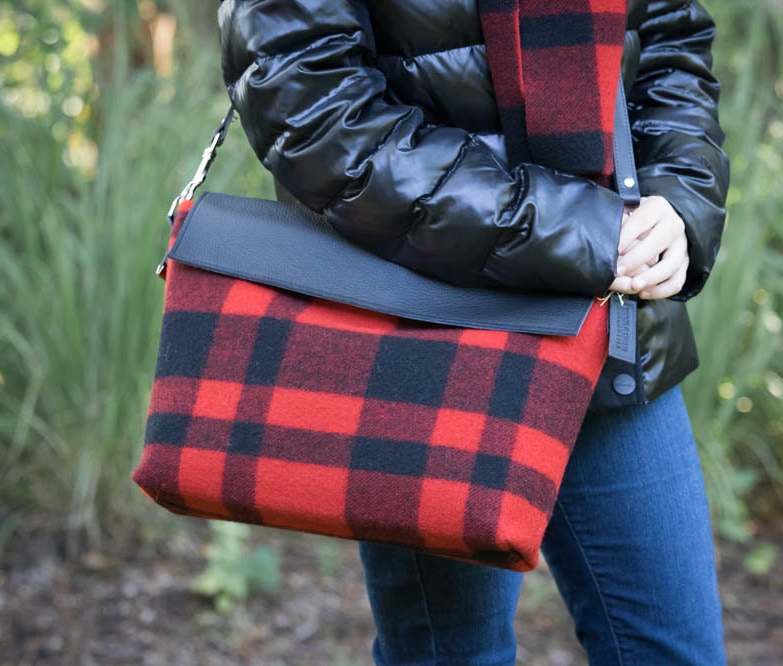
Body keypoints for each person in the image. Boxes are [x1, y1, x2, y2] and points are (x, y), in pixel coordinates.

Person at [217, 0, 730, 663]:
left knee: (673, 653)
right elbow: (315, 116)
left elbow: (670, 36)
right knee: (450, 653)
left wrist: (679, 201)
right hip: (429, 331)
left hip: (614, 318)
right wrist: (579, 231)